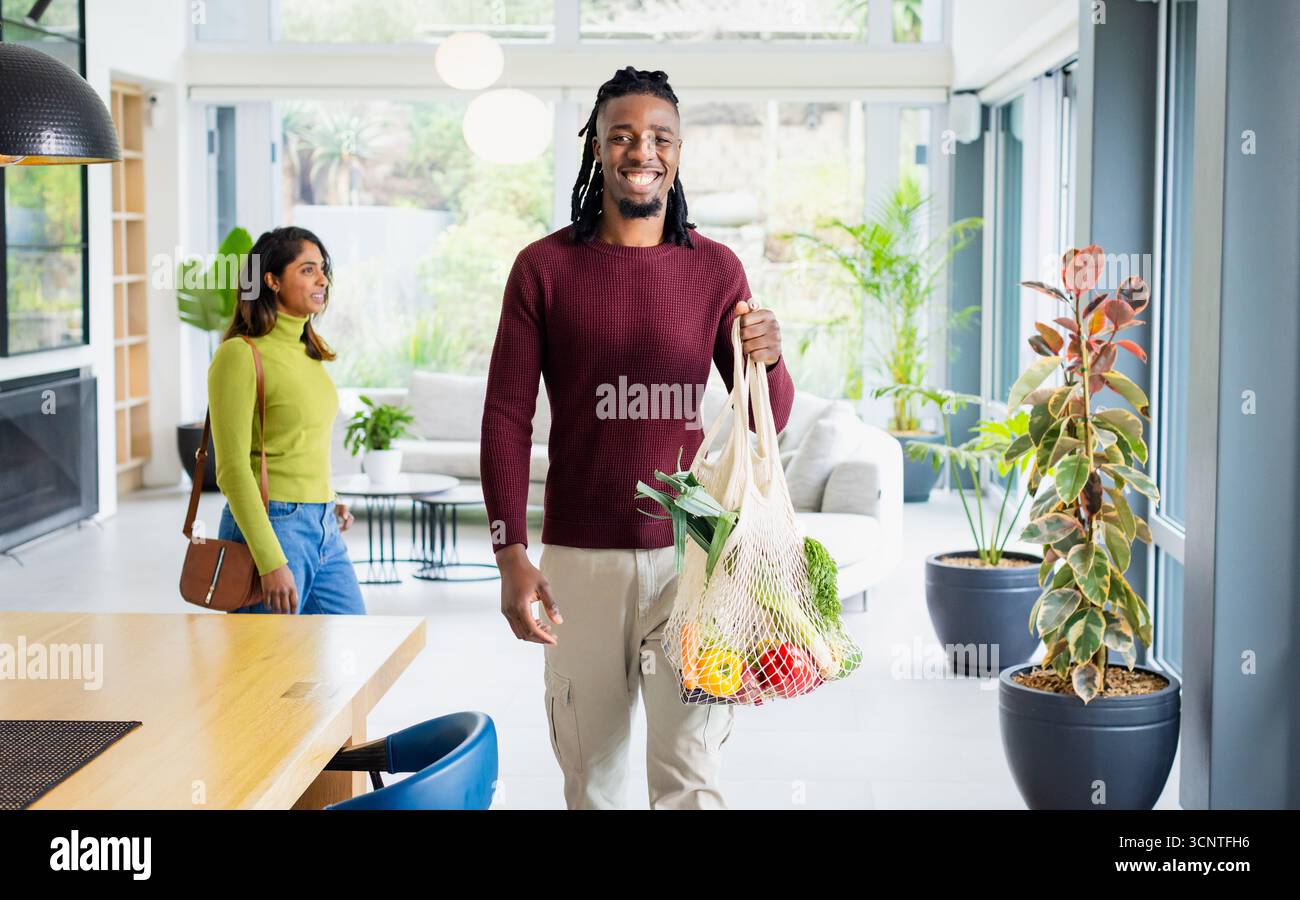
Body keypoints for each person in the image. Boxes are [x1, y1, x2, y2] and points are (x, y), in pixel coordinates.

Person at [481, 66, 794, 809]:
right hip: (578, 568)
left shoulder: (715, 268)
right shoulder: (544, 269)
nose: (640, 150)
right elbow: (506, 415)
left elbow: (766, 419)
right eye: (621, 135)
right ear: (595, 147)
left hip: (694, 564)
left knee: (690, 778)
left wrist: (771, 359)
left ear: (678, 152)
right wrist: (509, 553)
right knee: (593, 781)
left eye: (659, 137)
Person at [207, 226, 365, 616]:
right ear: (272, 280)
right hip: (274, 527)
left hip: (323, 525)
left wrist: (326, 499)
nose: (323, 279)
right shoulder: (239, 355)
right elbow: (231, 470)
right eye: (308, 269)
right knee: (264, 669)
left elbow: (300, 442)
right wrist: (270, 560)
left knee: (355, 647)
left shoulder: (309, 352)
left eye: (323, 269)